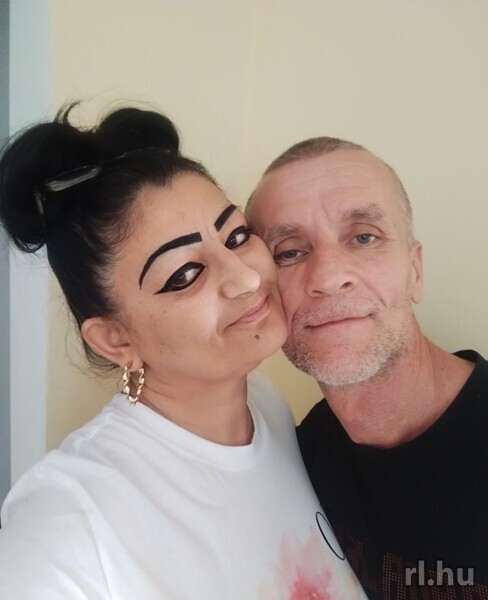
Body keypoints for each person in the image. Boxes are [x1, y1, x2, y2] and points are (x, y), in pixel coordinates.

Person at [0, 109, 367, 599]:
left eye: (237, 237)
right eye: (185, 275)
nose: (247, 277)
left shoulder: (268, 408)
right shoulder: (64, 524)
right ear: (116, 340)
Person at [246, 137, 488, 600]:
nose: (328, 277)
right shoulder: (303, 457)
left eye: (363, 237)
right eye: (290, 252)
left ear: (415, 271)